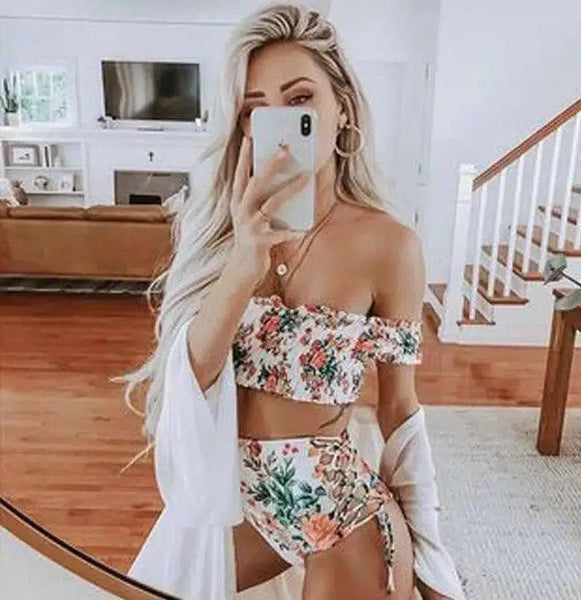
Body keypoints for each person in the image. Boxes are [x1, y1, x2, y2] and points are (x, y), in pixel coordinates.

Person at [118, 4, 466, 600]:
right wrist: (243, 260)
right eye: (255, 108)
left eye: (300, 99)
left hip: (340, 513)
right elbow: (192, 376)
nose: (278, 122)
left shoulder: (389, 245)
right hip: (239, 497)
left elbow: (399, 409)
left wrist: (433, 555)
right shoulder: (218, 234)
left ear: (342, 110)